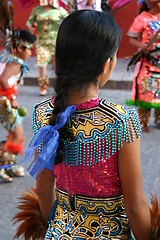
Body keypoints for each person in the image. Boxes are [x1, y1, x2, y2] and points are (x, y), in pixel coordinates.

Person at [13, 10, 152, 239]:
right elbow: (135, 207)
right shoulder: (122, 120)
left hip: (59, 232)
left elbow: (43, 189)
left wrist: (57, 229)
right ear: (107, 64)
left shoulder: (43, 113)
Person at [0, 30, 36, 182]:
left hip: (4, 102)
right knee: (17, 135)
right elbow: (3, 79)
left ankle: (9, 165)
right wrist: (12, 97)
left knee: (15, 135)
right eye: (29, 49)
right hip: (5, 103)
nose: (30, 52)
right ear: (20, 48)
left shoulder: (11, 60)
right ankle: (4, 166)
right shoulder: (14, 63)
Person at [127, 0, 160, 132]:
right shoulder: (143, 18)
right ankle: (143, 120)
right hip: (148, 63)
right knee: (146, 91)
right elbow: (131, 38)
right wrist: (143, 47)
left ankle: (158, 119)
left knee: (159, 93)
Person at [26, 0, 68, 96]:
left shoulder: (59, 10)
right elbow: (29, 21)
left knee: (57, 65)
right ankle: (43, 86)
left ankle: (61, 86)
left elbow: (69, 20)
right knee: (42, 64)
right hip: (41, 42)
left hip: (56, 41)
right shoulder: (37, 10)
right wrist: (31, 26)